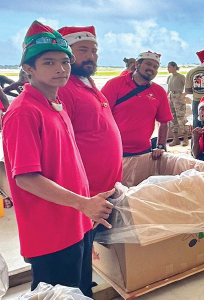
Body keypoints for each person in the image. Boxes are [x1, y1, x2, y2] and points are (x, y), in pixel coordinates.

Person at [3, 21, 114, 297]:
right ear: (29, 69)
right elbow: (27, 178)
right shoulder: (24, 112)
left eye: (65, 62)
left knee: (80, 291)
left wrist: (86, 205)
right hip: (51, 235)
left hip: (76, 222)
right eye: (49, 63)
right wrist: (83, 203)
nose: (60, 69)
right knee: (58, 294)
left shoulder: (55, 105)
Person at [56, 25, 123, 198]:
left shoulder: (87, 81)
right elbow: (62, 145)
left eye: (94, 51)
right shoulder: (63, 88)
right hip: (88, 192)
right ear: (66, 53)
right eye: (83, 50)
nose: (90, 56)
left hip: (106, 185)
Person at [102, 51, 173, 158]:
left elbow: (164, 122)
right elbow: (100, 115)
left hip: (144, 152)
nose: (152, 69)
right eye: (148, 64)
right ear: (136, 64)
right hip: (113, 149)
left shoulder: (159, 91)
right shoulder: (114, 84)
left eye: (155, 66)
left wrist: (161, 146)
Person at [166, 61, 187, 146]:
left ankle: (185, 138)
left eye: (169, 67)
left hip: (178, 97)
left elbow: (188, 87)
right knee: (172, 118)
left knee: (181, 118)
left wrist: (184, 95)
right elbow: (168, 89)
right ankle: (176, 139)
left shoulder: (181, 77)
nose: (168, 69)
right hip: (171, 97)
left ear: (175, 67)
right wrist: (166, 97)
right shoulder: (169, 77)